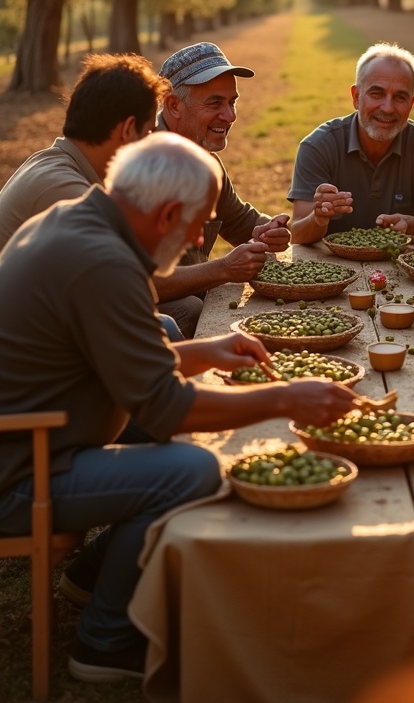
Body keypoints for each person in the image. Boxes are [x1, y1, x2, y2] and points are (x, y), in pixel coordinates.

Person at [0, 133, 356, 683]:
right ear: (167, 211)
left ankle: (93, 575)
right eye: (197, 223)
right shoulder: (102, 262)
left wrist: (206, 350)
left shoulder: (82, 222)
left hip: (45, 433)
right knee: (192, 469)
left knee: (174, 438)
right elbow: (164, 407)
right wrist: (285, 397)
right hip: (21, 473)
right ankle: (104, 643)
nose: (197, 237)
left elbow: (121, 357)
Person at [155, 42, 292, 335]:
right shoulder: (138, 168)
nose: (230, 116)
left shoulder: (206, 163)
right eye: (215, 103)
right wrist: (223, 269)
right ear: (173, 105)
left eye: (232, 102)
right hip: (119, 309)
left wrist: (270, 229)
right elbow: (139, 282)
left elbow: (244, 223)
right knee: (190, 310)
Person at [288, 42, 414, 244]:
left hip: (396, 263)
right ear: (356, 97)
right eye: (377, 94)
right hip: (329, 269)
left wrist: (413, 225)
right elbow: (297, 235)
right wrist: (319, 218)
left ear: (412, 104)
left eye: (400, 97)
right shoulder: (318, 146)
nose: (387, 108)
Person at [0, 52, 169, 251]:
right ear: (128, 129)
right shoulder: (64, 189)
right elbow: (139, 272)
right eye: (149, 131)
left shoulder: (60, 164)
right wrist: (216, 270)